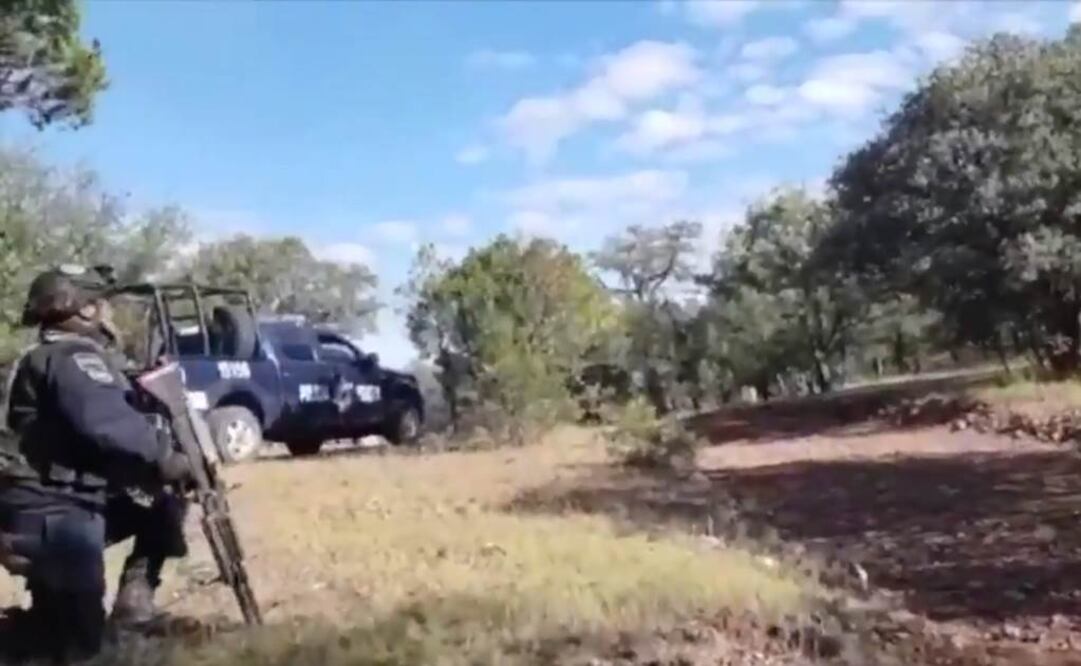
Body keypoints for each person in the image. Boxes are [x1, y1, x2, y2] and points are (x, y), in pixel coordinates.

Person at [0, 265, 194, 663]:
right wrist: (166, 457)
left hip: (51, 504)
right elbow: (106, 423)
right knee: (80, 648)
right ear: (85, 311)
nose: (108, 313)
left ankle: (132, 609)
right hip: (53, 515)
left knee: (159, 508)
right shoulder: (72, 359)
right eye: (103, 303)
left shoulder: (48, 356)